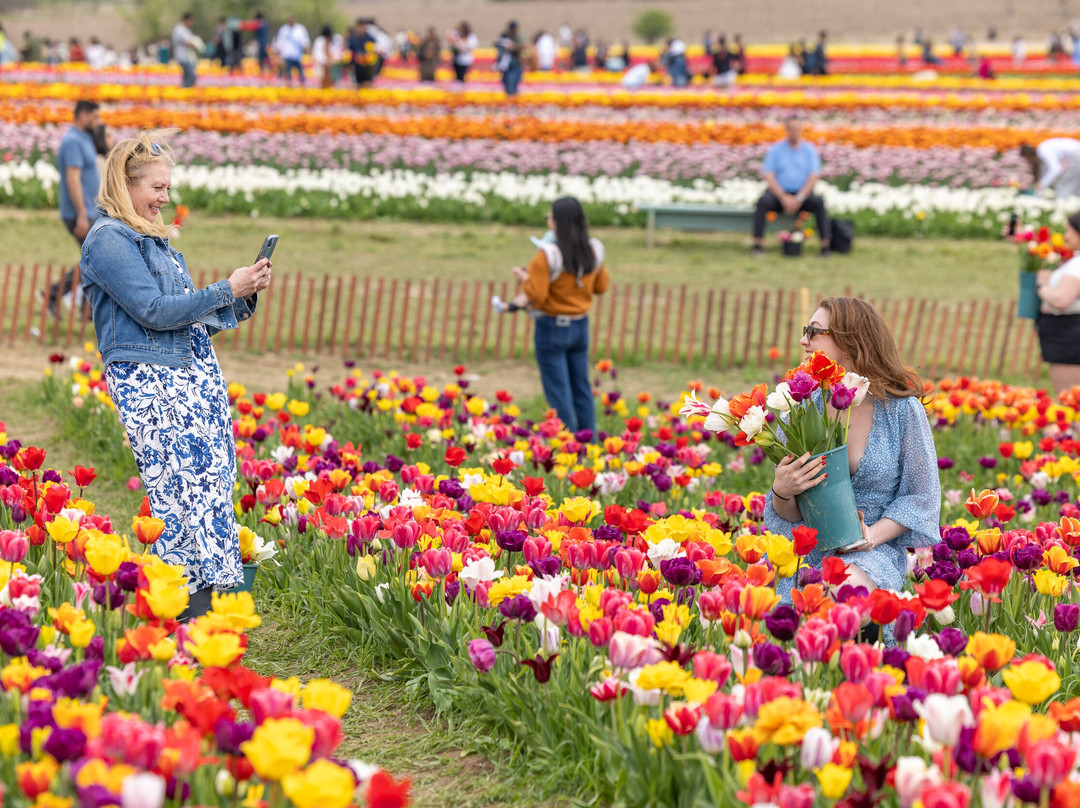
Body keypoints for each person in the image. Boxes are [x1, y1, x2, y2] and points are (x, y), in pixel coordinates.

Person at [80, 130, 271, 619]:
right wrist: (223, 287)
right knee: (181, 490)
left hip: (191, 374)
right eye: (156, 188)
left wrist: (241, 293)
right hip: (151, 382)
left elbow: (187, 314)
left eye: (168, 188)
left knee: (209, 484)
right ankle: (186, 609)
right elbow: (154, 310)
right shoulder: (108, 240)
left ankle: (198, 608)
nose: (165, 198)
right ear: (126, 185)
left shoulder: (151, 238)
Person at [765, 297, 940, 602]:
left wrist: (871, 536)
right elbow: (790, 512)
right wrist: (782, 490)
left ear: (849, 343)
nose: (803, 340)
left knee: (834, 595)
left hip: (873, 552)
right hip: (806, 551)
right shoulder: (801, 407)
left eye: (814, 331)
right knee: (787, 609)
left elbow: (920, 497)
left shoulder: (901, 411)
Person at [513, 197, 609, 437]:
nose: (548, 220)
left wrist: (525, 280)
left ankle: (567, 444)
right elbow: (601, 286)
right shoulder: (593, 249)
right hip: (580, 326)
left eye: (550, 216)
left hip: (551, 327)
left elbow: (539, 296)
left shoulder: (546, 255)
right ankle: (589, 444)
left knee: (559, 391)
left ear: (557, 221)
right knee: (581, 389)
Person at [43, 101, 102, 319]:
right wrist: (81, 215)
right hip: (80, 213)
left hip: (89, 211)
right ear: (83, 115)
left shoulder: (85, 138)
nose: (98, 122)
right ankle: (54, 295)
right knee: (95, 259)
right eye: (95, 117)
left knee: (94, 259)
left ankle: (86, 310)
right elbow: (72, 178)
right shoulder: (72, 142)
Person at [752, 116, 830, 256]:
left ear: (801, 130)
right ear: (786, 130)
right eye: (792, 129)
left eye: (797, 129)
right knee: (762, 202)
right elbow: (769, 175)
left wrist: (799, 198)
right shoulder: (776, 149)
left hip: (802, 195)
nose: (794, 132)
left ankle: (825, 246)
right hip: (780, 194)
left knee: (819, 203)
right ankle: (758, 245)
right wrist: (783, 197)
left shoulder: (809, 150)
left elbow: (813, 176)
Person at [1035, 211, 1080, 393]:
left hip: (1067, 334)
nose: (1066, 236)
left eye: (1069, 231)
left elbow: (1061, 300)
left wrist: (1041, 286)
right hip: (1064, 333)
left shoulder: (1077, 265)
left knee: (1070, 395)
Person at [275, 15, 310, 85]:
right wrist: (278, 53)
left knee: (301, 72)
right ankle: (288, 85)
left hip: (297, 55)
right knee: (287, 72)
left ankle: (302, 84)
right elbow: (279, 42)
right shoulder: (283, 29)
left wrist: (307, 51)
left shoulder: (300, 29)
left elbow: (305, 41)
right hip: (287, 55)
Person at [496, 21, 523, 96]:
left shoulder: (518, 38)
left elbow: (522, 47)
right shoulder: (504, 36)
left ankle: (512, 101)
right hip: (506, 65)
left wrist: (513, 47)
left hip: (515, 64)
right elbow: (498, 46)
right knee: (506, 83)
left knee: (512, 84)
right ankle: (510, 101)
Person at [171, 14, 197, 87]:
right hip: (182, 56)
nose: (192, 23)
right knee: (192, 76)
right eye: (190, 21)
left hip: (187, 56)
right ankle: (185, 91)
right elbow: (188, 42)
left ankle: (185, 94)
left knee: (186, 77)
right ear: (185, 20)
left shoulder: (186, 29)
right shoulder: (179, 29)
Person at [348, 19, 378, 87]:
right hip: (357, 66)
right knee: (358, 85)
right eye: (359, 27)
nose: (361, 29)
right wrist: (350, 63)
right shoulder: (353, 39)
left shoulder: (370, 38)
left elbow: (375, 50)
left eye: (362, 27)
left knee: (367, 84)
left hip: (368, 66)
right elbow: (351, 52)